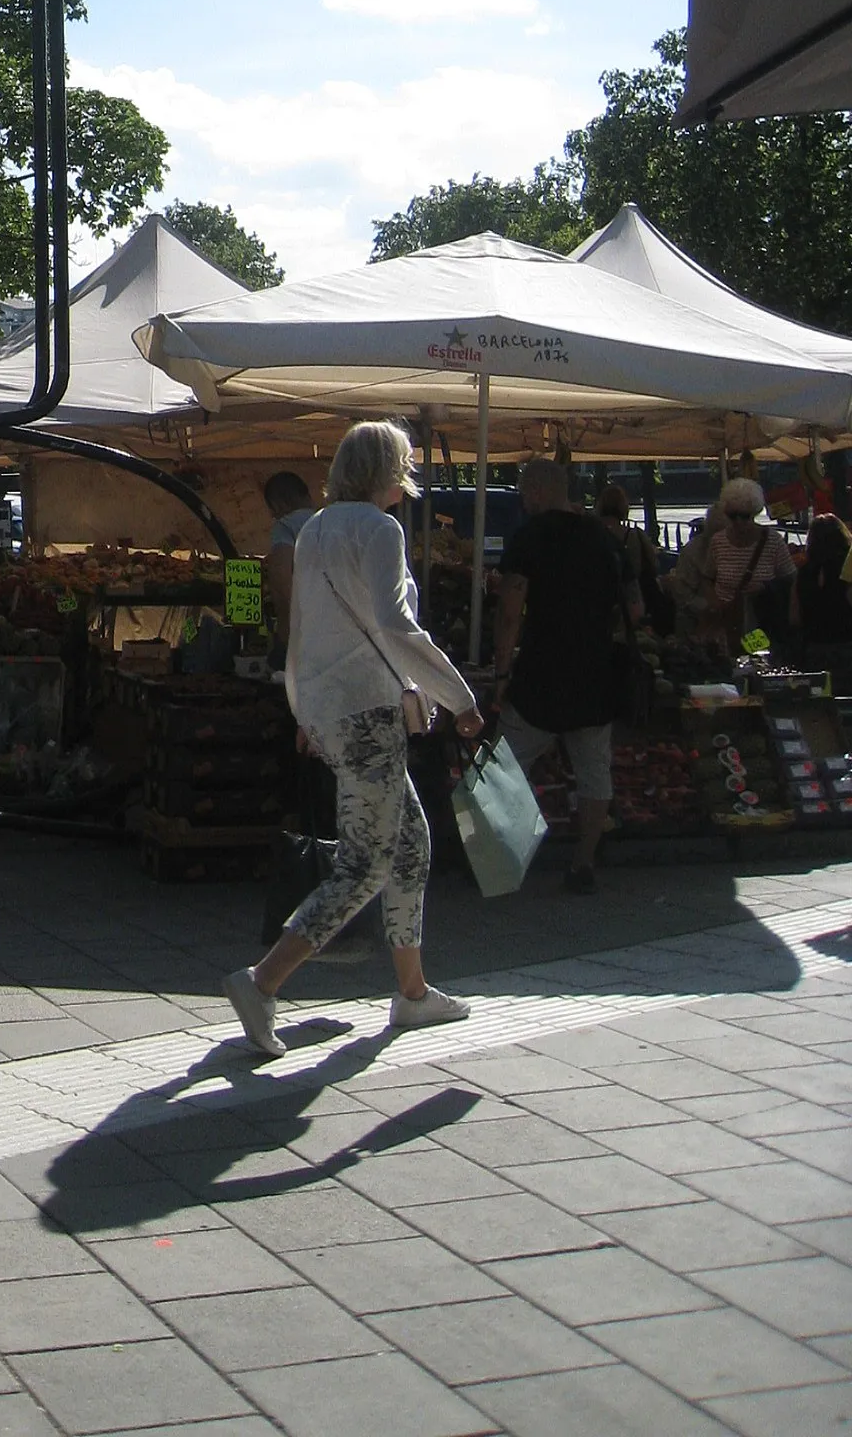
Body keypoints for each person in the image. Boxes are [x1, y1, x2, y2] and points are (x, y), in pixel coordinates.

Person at [223, 420, 483, 1059]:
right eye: (404, 463)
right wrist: (460, 698)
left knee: (411, 846)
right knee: (366, 862)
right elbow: (396, 625)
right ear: (386, 470)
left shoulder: (312, 529)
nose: (409, 474)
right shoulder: (379, 528)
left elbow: (303, 629)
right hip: (367, 713)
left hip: (333, 711)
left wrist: (305, 712)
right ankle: (263, 983)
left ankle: (412, 992)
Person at [492, 458, 644, 895]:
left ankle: (505, 860)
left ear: (539, 491)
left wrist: (502, 671)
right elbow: (636, 607)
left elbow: (508, 612)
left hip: (540, 675)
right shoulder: (606, 538)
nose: (522, 499)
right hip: (596, 675)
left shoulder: (529, 537)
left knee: (506, 766)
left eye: (524, 490)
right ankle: (583, 861)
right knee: (595, 772)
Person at [668, 479, 796, 652]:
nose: (738, 522)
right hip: (727, 623)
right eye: (732, 515)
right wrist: (715, 604)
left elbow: (791, 580)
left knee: (758, 660)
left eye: (744, 516)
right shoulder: (718, 541)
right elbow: (707, 578)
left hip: (762, 620)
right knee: (732, 662)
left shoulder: (773, 541)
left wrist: (765, 588)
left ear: (754, 513)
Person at [597, 482, 669, 633]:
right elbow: (653, 566)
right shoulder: (635, 535)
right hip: (635, 602)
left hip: (602, 601)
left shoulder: (592, 534)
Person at [262, 470, 315, 646]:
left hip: (301, 630)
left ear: (277, 504)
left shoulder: (284, 526)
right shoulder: (328, 522)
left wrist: (285, 627)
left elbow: (282, 578)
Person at [797, 510, 852, 656]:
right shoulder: (846, 568)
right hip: (846, 641)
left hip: (814, 645)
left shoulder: (804, 571)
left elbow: (794, 616)